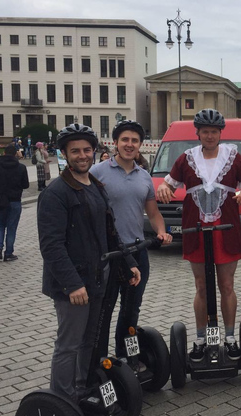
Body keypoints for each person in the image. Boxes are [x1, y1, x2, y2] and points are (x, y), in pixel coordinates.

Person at [38, 124, 141, 402]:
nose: (82, 155)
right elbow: (51, 246)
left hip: (98, 280)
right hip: (73, 286)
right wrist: (72, 284)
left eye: (86, 150)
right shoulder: (56, 193)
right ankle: (61, 401)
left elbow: (110, 232)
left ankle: (81, 390)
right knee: (68, 345)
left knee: (89, 341)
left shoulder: (96, 186)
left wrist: (128, 261)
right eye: (75, 151)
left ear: (94, 152)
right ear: (64, 154)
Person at [155, 109, 241, 361]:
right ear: (198, 133)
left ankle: (230, 337)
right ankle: (201, 338)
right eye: (205, 132)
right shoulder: (186, 158)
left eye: (214, 132)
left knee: (226, 285)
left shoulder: (233, 158)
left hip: (226, 230)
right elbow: (168, 183)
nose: (210, 136)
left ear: (220, 133)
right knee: (201, 287)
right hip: (196, 230)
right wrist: (163, 190)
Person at [90, 120, 172, 358]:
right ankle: (99, 361)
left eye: (134, 140)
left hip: (137, 251)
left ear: (140, 145)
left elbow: (153, 213)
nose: (129, 144)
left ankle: (127, 357)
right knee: (104, 310)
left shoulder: (144, 176)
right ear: (115, 143)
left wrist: (161, 231)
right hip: (109, 254)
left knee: (130, 310)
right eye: (124, 139)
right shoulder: (97, 173)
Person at [0, 144, 29, 261]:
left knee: (0, 225)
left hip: (0, 200)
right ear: (16, 154)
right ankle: (8, 252)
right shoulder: (21, 167)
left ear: (4, 153)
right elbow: (26, 185)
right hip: (15, 200)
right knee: (12, 227)